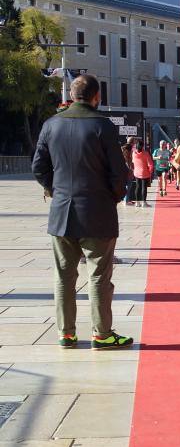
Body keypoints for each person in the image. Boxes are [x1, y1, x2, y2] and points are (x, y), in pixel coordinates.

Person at [31, 74, 133, 350]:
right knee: (99, 274)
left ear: (73, 95)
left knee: (63, 276)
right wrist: (113, 197)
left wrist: (55, 189)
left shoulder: (51, 125)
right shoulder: (103, 126)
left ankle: (67, 333)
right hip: (97, 212)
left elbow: (38, 167)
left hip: (62, 212)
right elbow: (119, 173)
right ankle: (102, 334)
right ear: (96, 97)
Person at [131, 138, 153, 207]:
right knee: (144, 188)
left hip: (136, 172)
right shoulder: (145, 154)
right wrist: (150, 172)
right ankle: (143, 202)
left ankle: (137, 202)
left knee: (137, 187)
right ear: (142, 146)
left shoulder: (133, 153)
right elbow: (150, 164)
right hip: (145, 173)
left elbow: (133, 162)